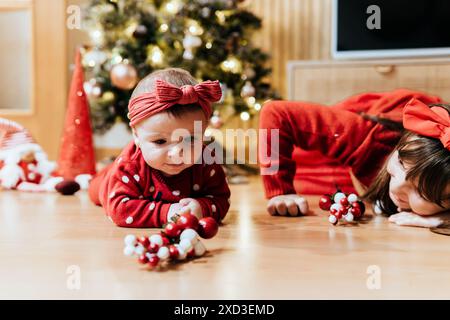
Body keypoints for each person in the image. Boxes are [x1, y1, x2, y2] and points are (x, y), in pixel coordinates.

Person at [259, 89, 450, 227]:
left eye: (421, 192)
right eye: (400, 162)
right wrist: (280, 192)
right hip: (342, 154)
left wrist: (443, 221)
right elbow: (275, 114)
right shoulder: (369, 141)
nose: (398, 187)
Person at [89, 68, 231, 228]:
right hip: (109, 182)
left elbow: (221, 198)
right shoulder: (129, 166)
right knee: (95, 189)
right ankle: (93, 177)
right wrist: (167, 212)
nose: (177, 153)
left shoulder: (206, 161)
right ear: (136, 136)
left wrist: (202, 208)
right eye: (160, 141)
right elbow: (119, 210)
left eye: (190, 139)